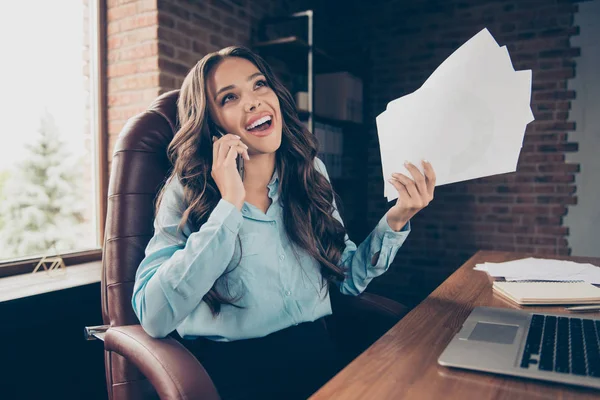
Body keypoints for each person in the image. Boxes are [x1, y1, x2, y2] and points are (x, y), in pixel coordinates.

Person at [131, 46, 436, 400]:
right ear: (212, 125)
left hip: (320, 358)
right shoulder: (187, 191)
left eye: (259, 85)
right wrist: (229, 205)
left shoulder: (310, 173)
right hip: (235, 376)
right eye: (230, 97)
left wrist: (397, 217)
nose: (253, 102)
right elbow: (153, 316)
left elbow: (347, 279)